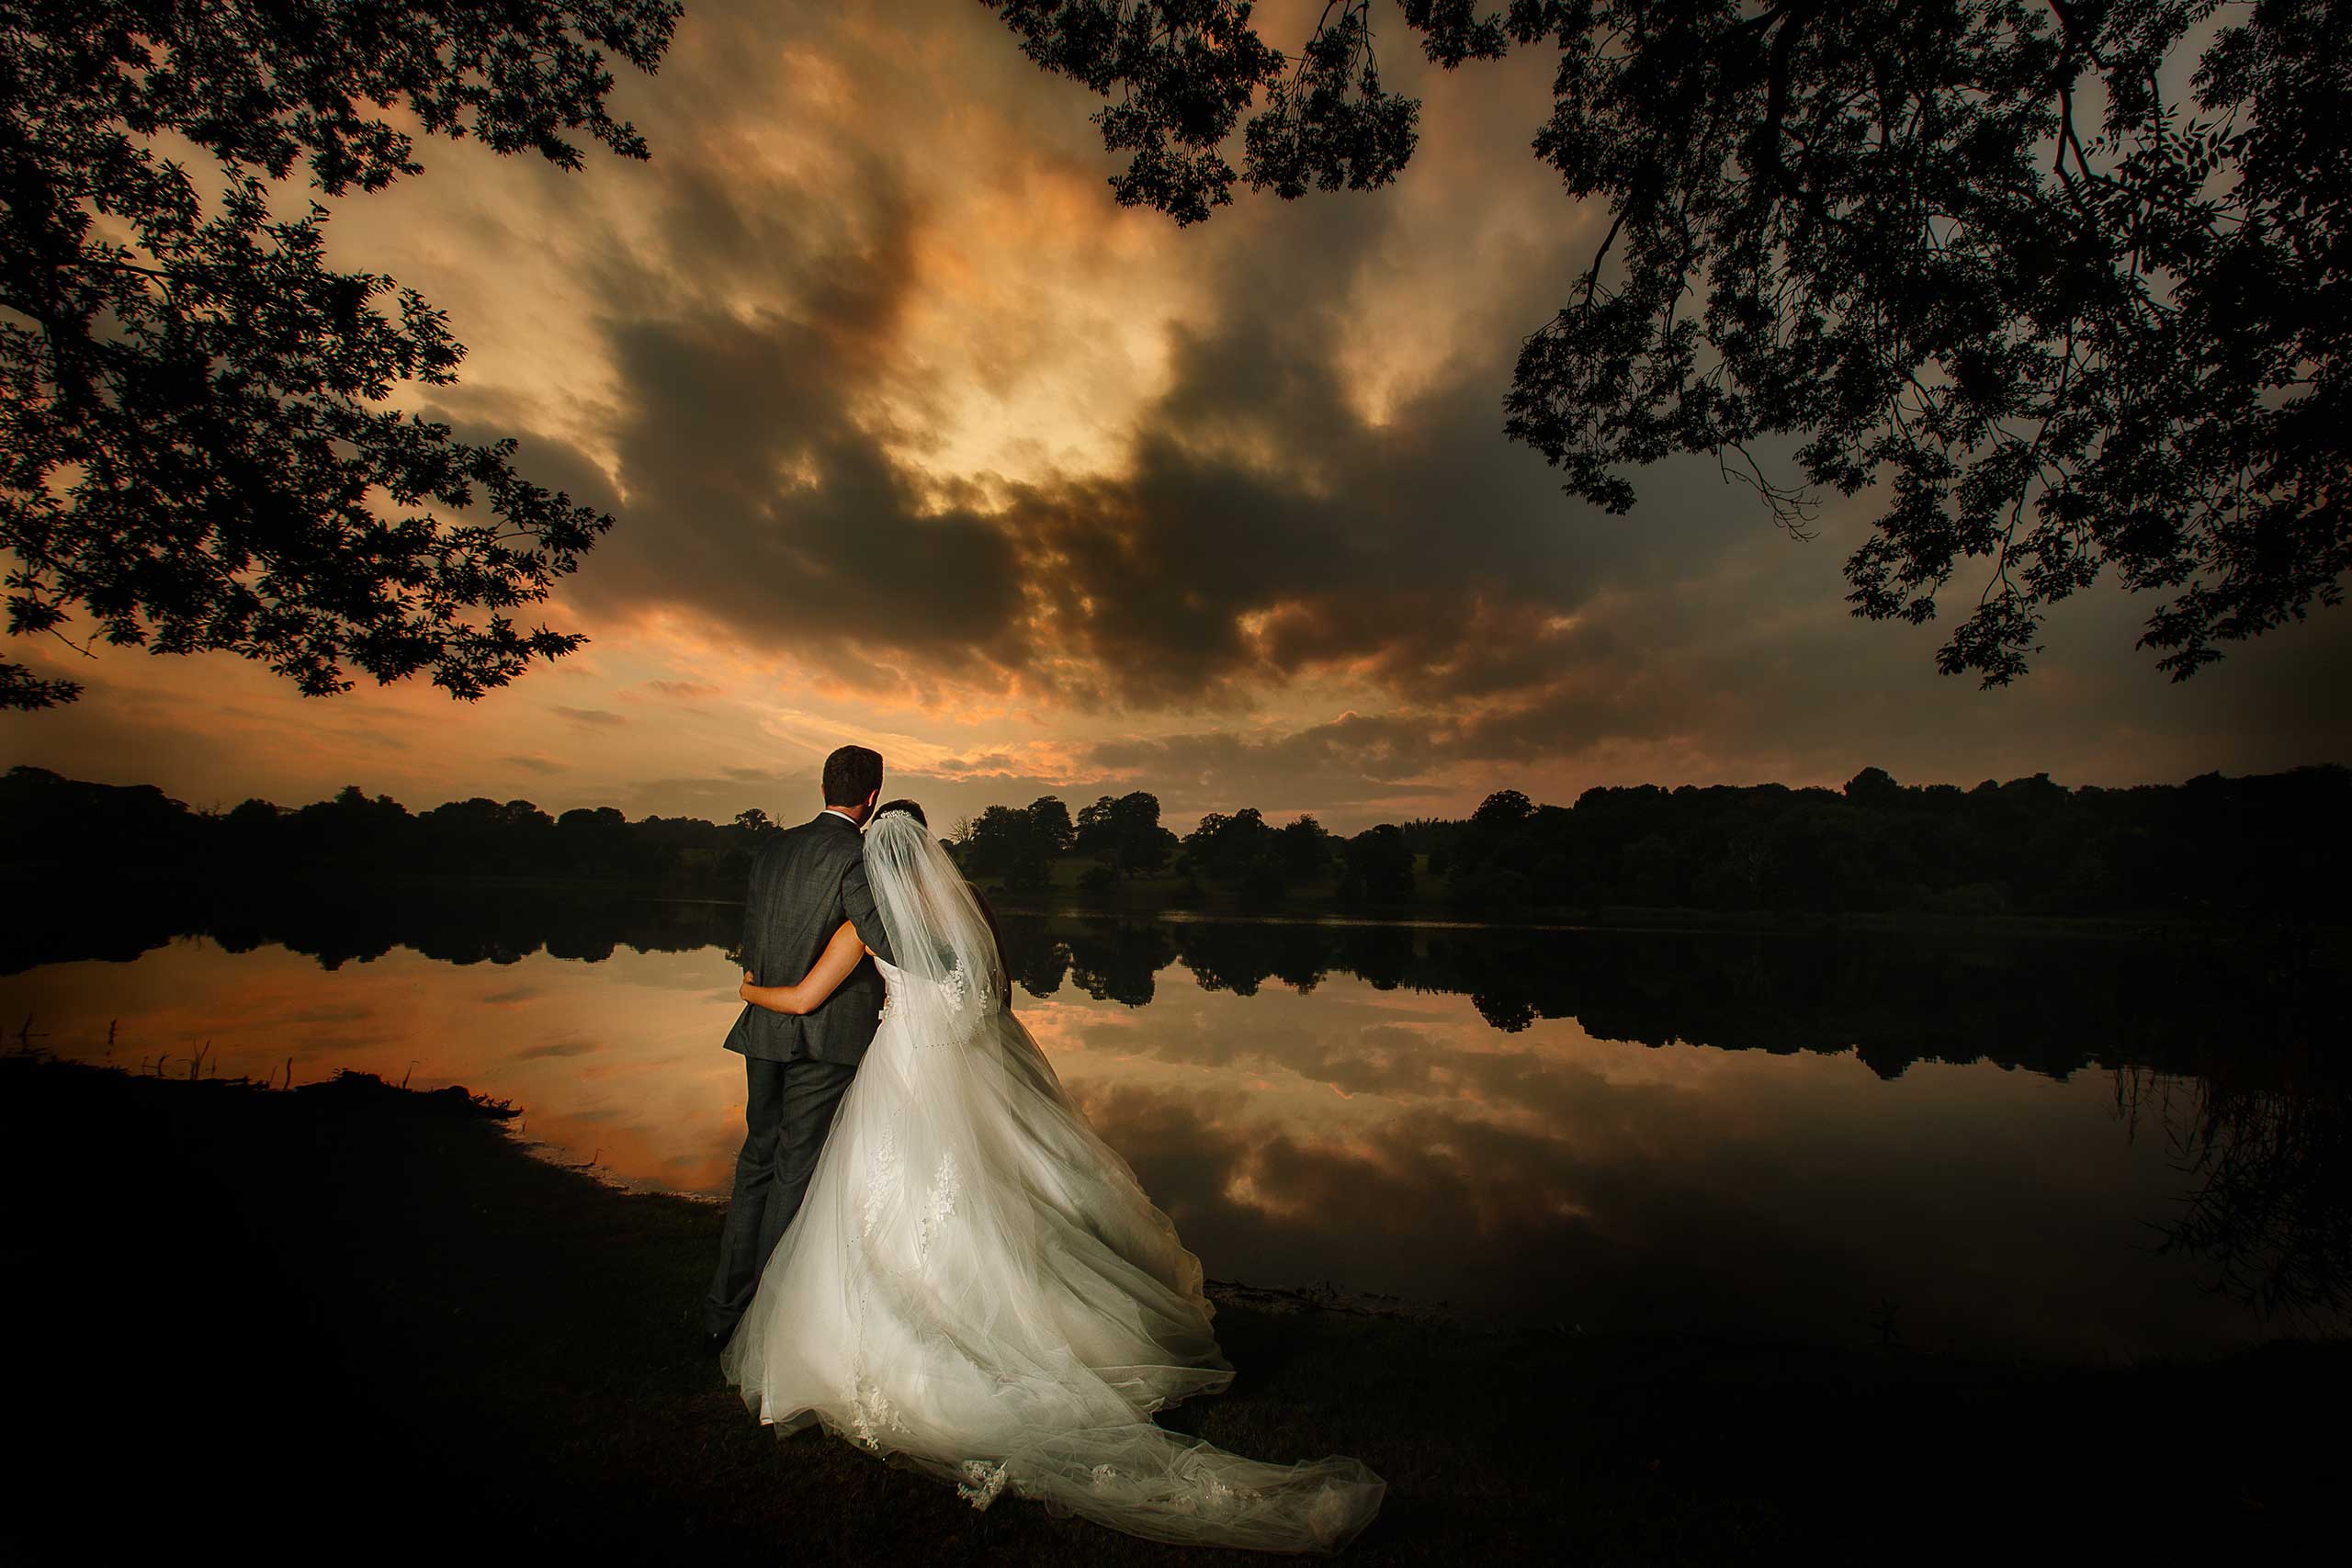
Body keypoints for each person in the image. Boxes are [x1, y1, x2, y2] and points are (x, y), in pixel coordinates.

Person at [722, 803, 1385, 1552]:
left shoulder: (865, 927)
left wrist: (748, 989)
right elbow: (994, 998)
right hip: (959, 1075)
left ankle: (911, 1332)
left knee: (885, 1209)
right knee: (979, 1201)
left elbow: (805, 998)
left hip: (902, 1079)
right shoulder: (965, 909)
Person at [701, 744, 896, 1354]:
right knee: (795, 1172)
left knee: (756, 1160)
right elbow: (886, 937)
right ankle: (768, 1316)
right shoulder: (856, 856)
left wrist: (761, 993)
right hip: (825, 1039)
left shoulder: (773, 849)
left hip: (765, 1026)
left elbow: (753, 937)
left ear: (823, 787)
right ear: (872, 797)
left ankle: (722, 1309)